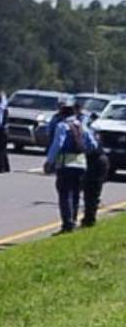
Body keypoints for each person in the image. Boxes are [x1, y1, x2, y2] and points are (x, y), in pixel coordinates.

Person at [43, 95, 87, 234]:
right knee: (75, 194)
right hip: (81, 164)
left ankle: (67, 224)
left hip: (65, 164)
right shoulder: (81, 126)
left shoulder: (62, 126)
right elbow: (91, 144)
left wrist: (49, 161)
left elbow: (57, 144)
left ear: (62, 113)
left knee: (64, 194)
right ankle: (73, 220)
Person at [80, 103, 108, 227]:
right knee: (90, 190)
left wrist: (81, 150)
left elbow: (91, 147)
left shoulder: (86, 129)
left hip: (96, 160)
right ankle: (88, 218)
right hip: (98, 159)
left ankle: (89, 219)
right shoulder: (90, 128)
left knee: (91, 190)